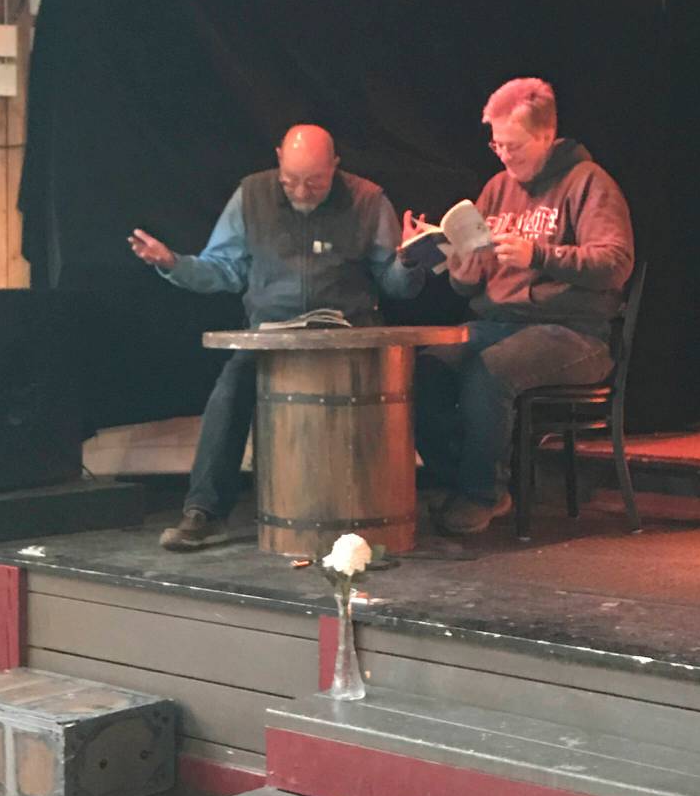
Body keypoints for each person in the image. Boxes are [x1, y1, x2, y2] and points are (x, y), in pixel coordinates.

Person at [129, 124, 425, 550]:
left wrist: (409, 261)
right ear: (278, 160)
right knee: (229, 392)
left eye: (314, 182)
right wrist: (173, 264)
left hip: (349, 339)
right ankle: (204, 511)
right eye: (290, 181)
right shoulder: (251, 195)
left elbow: (394, 285)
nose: (301, 192)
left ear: (335, 166)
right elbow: (223, 270)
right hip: (271, 338)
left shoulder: (368, 200)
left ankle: (385, 512)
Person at [414, 78, 634, 536]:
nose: (504, 156)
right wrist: (462, 270)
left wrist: (539, 255)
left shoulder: (587, 182)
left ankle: (484, 493)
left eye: (513, 146)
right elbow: (469, 283)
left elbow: (615, 264)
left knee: (490, 371)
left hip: (574, 332)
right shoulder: (497, 188)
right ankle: (451, 481)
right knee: (424, 368)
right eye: (496, 145)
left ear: (547, 135)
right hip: (497, 321)